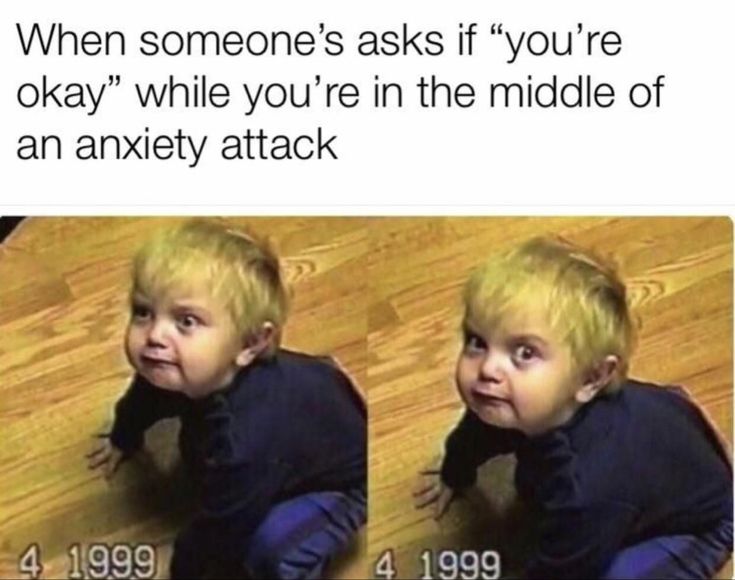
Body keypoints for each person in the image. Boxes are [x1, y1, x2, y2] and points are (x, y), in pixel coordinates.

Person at [414, 237, 732, 579]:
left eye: (524, 352)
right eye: (477, 342)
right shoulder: (509, 397)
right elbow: (479, 429)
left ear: (591, 378)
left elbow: (566, 571)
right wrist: (455, 469)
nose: (488, 369)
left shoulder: (589, 495)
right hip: (663, 428)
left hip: (699, 526)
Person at [87, 220, 366, 579]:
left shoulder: (245, 444)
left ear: (250, 344)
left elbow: (220, 532)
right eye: (143, 312)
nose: (154, 334)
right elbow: (146, 395)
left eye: (186, 321)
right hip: (311, 401)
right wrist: (123, 434)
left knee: (269, 552)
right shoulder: (179, 364)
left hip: (342, 483)